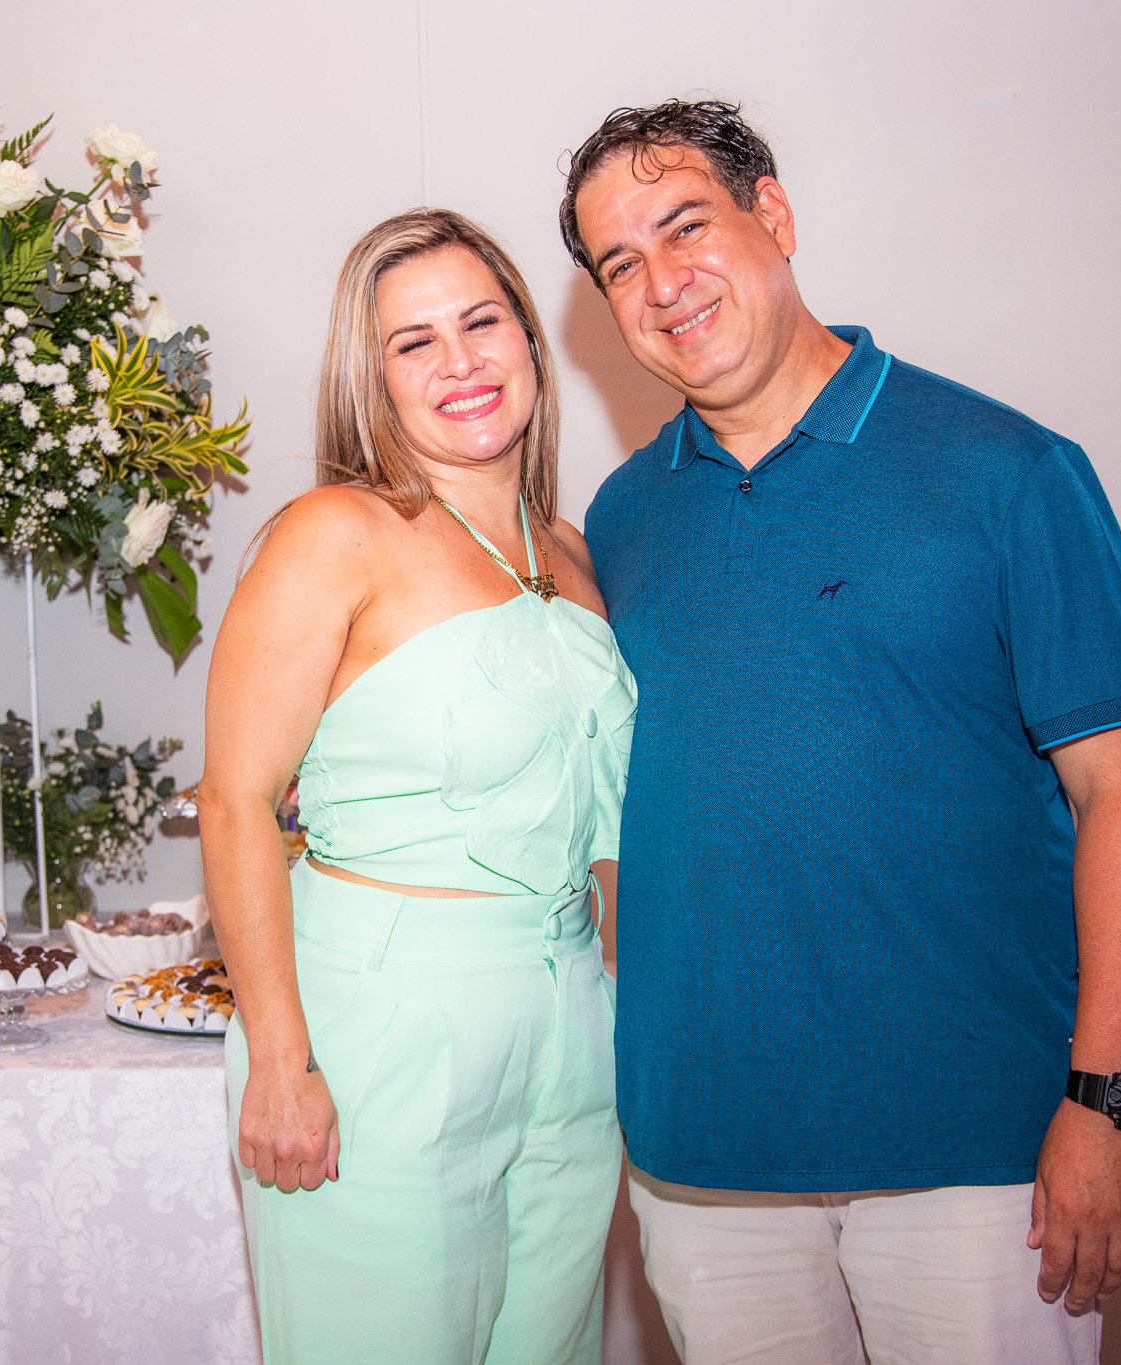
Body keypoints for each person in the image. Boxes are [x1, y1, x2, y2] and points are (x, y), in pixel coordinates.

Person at [560, 101, 1121, 1364]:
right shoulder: (621, 519)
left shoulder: (1007, 471)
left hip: (977, 1158)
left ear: (773, 215)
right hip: (702, 1159)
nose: (661, 283)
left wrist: (1112, 1106)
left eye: (685, 228)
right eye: (619, 264)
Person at [198, 208, 636, 1365]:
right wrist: (280, 1059)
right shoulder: (333, 534)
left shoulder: (571, 553)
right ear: (374, 379)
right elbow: (234, 801)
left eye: (481, 322)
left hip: (570, 1024)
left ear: (530, 339)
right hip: (381, 1027)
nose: (460, 362)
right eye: (414, 341)